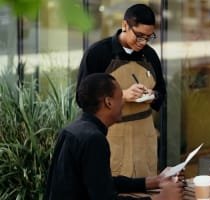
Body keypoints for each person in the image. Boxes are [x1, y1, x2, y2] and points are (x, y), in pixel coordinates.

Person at [45, 73, 183, 200]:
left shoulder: (73, 129)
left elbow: (100, 182)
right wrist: (161, 199)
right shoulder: (93, 139)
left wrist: (154, 181)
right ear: (108, 102)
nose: (123, 102)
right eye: (120, 96)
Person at [76, 4, 166, 177]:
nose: (143, 42)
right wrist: (122, 95)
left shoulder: (151, 56)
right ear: (125, 25)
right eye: (139, 36)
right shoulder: (97, 54)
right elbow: (82, 99)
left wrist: (151, 95)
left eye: (149, 37)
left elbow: (161, 93)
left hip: (144, 139)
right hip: (111, 137)